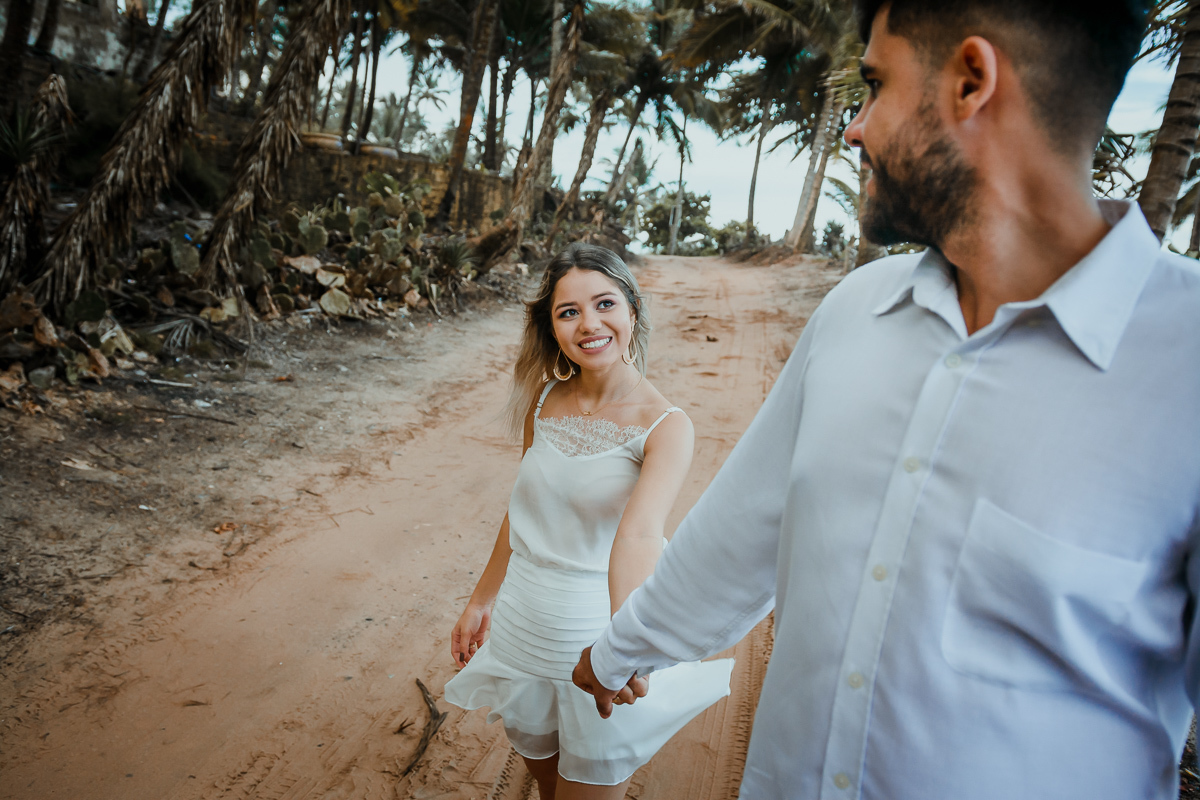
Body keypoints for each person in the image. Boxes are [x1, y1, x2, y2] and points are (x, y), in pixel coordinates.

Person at [572, 2, 1200, 798]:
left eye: (874, 85)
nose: (853, 127)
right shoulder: (855, 311)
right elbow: (740, 532)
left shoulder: (1188, 373)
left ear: (972, 81)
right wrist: (619, 652)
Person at [444, 242, 733, 800]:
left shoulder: (666, 426)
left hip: (592, 637)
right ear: (551, 327)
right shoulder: (544, 399)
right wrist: (481, 600)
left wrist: (624, 648)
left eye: (605, 304)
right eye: (568, 312)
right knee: (547, 784)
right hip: (522, 633)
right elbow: (522, 510)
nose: (589, 324)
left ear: (632, 311)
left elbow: (641, 536)